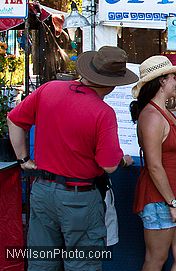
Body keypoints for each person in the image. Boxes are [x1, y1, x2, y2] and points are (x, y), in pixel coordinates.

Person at [7, 46, 138, 271]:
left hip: (42, 191)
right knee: (83, 264)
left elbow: (14, 120)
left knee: (41, 263)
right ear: (112, 84)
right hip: (80, 198)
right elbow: (108, 165)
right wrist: (124, 160)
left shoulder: (49, 89)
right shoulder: (103, 113)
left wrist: (23, 159)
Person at [130, 55, 176, 271]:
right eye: (172, 77)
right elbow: (154, 165)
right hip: (161, 197)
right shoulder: (151, 115)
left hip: (175, 192)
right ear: (161, 81)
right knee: (156, 259)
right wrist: (172, 203)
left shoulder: (164, 112)